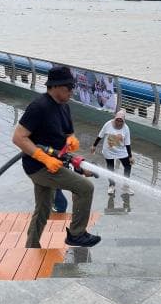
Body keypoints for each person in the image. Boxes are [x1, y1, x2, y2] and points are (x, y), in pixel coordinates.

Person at [12, 66, 101, 248]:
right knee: (85, 188)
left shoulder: (64, 107)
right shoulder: (39, 107)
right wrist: (44, 158)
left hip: (55, 162)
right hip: (39, 166)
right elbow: (18, 137)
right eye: (69, 88)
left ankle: (31, 245)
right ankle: (77, 234)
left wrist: (72, 145)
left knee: (43, 207)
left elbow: (67, 134)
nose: (71, 91)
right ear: (55, 87)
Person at [91, 110, 135, 195]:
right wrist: (94, 146)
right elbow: (100, 135)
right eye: (117, 120)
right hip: (109, 150)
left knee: (128, 166)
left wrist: (130, 156)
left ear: (124, 121)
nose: (119, 122)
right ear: (115, 119)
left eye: (121, 120)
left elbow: (127, 143)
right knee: (110, 167)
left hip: (121, 150)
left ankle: (125, 186)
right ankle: (111, 185)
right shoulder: (108, 124)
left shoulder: (126, 128)